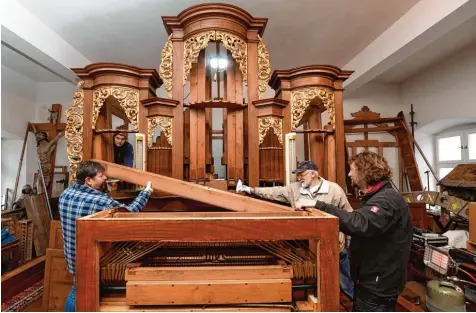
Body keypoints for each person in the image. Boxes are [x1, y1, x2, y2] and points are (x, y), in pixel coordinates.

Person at [236, 160, 354, 300]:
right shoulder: (294, 189)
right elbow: (274, 192)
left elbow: (349, 216)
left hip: (333, 246)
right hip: (308, 248)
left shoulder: (334, 190)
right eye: (298, 175)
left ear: (313, 173)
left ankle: (355, 305)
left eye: (302, 174)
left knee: (345, 283)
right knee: (319, 284)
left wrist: (350, 242)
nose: (299, 177)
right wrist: (250, 190)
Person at [313, 151, 412, 312]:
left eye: (352, 169)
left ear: (365, 171)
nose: (349, 174)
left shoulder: (386, 200)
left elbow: (360, 223)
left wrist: (319, 205)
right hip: (371, 281)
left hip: (378, 285)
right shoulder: (377, 197)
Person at [59, 161, 153, 311]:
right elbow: (129, 213)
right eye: (101, 176)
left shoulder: (66, 194)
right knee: (79, 292)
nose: (105, 178)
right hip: (90, 257)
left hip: (72, 254)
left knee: (80, 288)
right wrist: (146, 192)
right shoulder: (100, 200)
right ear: (88, 180)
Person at [33, 127, 65, 194]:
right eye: (37, 135)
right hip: (41, 165)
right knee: (38, 184)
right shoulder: (40, 145)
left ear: (44, 136)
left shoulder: (47, 145)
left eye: (40, 135)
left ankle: (42, 196)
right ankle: (41, 195)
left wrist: (62, 133)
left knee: (42, 183)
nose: (37, 136)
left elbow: (54, 140)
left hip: (46, 166)